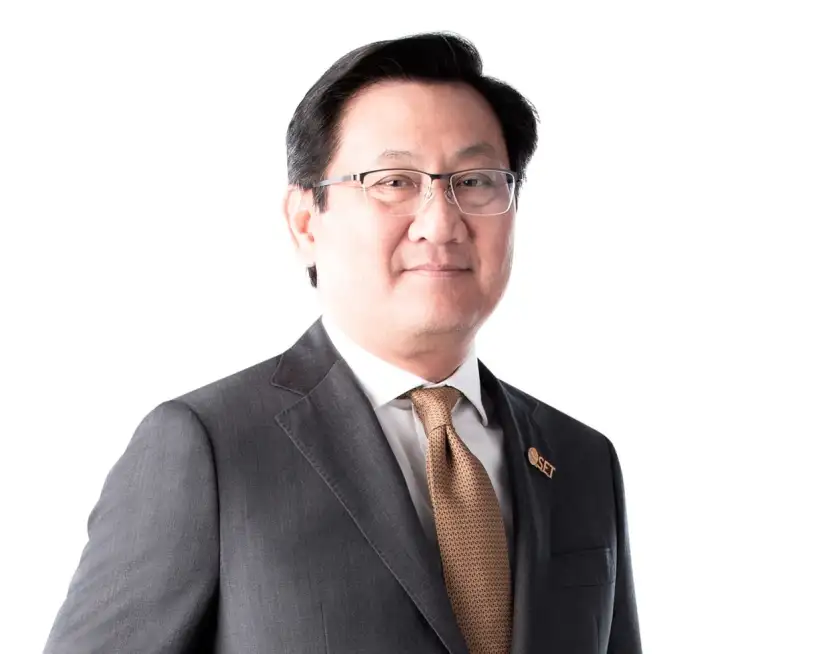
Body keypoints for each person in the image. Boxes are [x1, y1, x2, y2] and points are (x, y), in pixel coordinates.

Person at [43, 31, 641, 654]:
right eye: (394, 181)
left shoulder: (581, 460)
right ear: (306, 222)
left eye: (474, 181)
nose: (441, 222)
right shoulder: (208, 447)